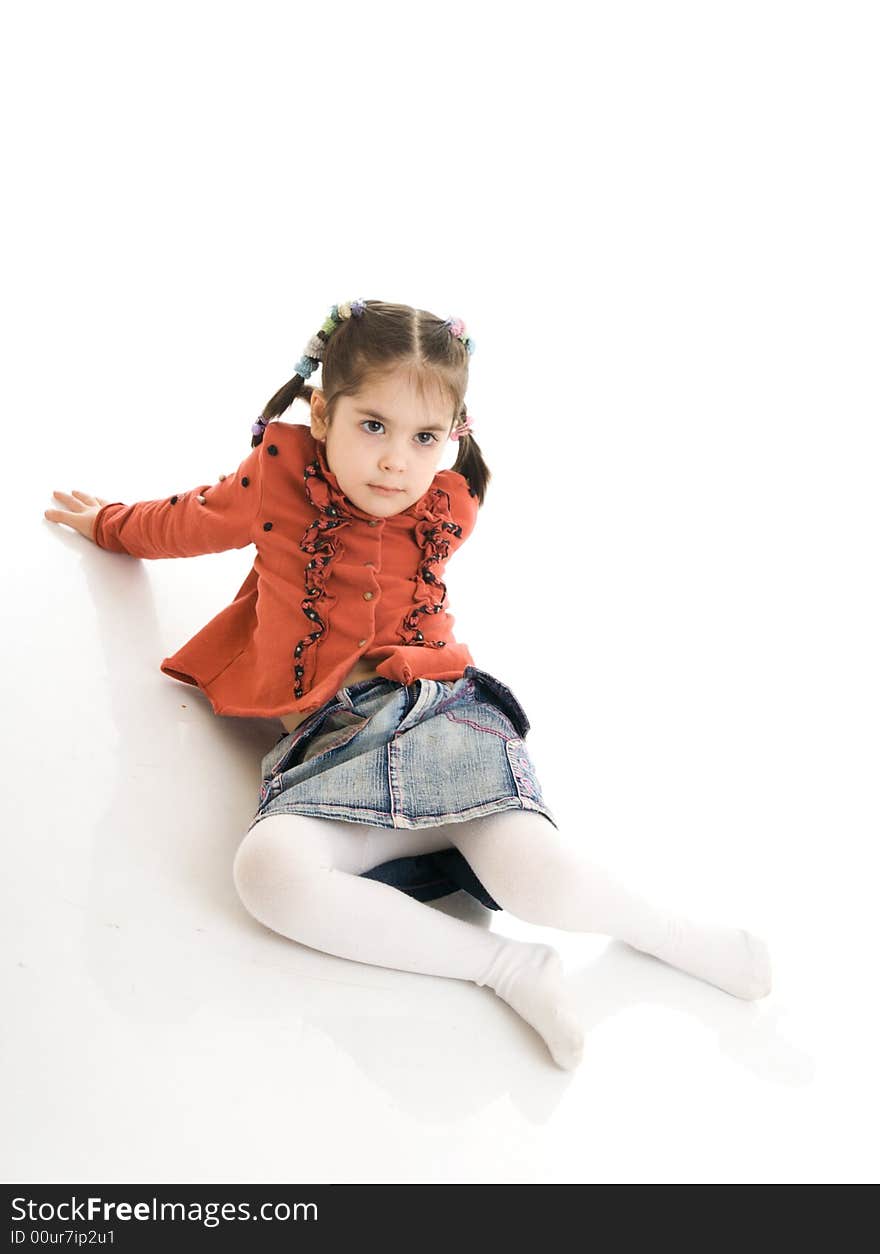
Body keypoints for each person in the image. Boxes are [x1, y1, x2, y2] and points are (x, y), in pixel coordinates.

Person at [44, 297, 771, 1071]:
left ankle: (681, 938)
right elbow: (186, 520)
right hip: (334, 746)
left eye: (424, 437)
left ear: (452, 438)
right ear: (322, 412)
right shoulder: (278, 481)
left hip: (439, 716)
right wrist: (110, 525)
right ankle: (508, 967)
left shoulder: (445, 505)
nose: (396, 460)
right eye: (374, 426)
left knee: (540, 879)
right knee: (268, 874)